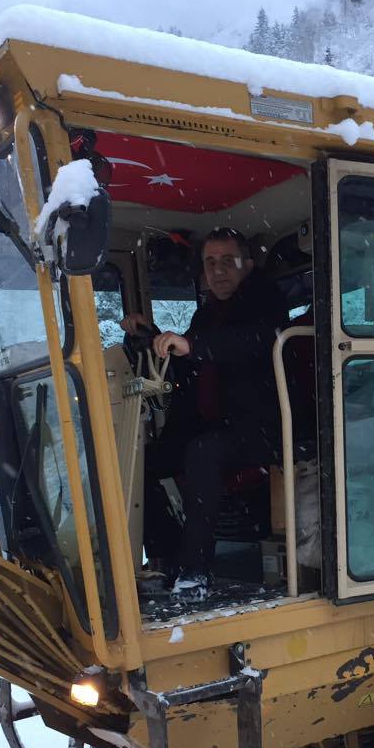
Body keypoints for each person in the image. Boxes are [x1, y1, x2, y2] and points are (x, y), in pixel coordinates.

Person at [123, 228, 288, 603]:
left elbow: (252, 342)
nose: (218, 270)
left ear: (247, 264)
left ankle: (196, 572)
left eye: (227, 261)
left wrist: (194, 345)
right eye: (210, 262)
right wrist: (155, 337)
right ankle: (166, 556)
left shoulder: (266, 303)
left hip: (262, 426)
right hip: (218, 425)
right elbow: (191, 365)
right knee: (143, 462)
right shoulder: (206, 314)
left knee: (202, 452)